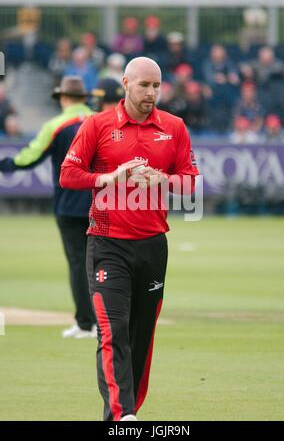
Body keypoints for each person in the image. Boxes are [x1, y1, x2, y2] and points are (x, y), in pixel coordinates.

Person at [60, 57, 199, 421]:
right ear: (125, 83)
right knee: (112, 330)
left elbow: (192, 182)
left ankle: (128, 410)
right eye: (144, 85)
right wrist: (107, 178)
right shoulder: (97, 124)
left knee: (141, 336)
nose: (151, 93)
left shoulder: (175, 127)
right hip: (107, 244)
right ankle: (122, 417)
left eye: (156, 85)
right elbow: (69, 174)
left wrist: (164, 182)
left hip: (153, 246)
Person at [0, 76, 97, 338]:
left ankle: (86, 323)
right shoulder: (99, 121)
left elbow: (30, 157)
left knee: (78, 264)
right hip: (100, 204)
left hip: (68, 205)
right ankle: (107, 322)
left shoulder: (55, 125)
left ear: (63, 98)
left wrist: (5, 164)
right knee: (103, 263)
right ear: (85, 98)